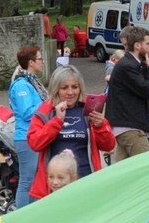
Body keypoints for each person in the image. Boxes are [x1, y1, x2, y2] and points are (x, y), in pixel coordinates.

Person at [27, 65, 115, 201]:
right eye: (64, 88)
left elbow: (109, 146)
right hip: (54, 186)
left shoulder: (89, 109)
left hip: (86, 181)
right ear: (56, 89)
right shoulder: (45, 111)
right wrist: (57, 121)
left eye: (74, 87)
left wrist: (100, 125)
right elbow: (35, 143)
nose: (70, 92)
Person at [105, 26, 149, 161]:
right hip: (131, 128)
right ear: (137, 45)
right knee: (145, 167)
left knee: (123, 173)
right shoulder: (128, 66)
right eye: (148, 43)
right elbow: (148, 90)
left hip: (127, 126)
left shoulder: (133, 63)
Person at [9, 45, 48, 208]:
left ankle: (34, 213)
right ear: (31, 62)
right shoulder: (21, 85)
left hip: (36, 136)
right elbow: (26, 112)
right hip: (26, 138)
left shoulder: (33, 82)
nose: (43, 62)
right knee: (26, 180)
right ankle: (21, 217)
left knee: (37, 178)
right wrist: (49, 107)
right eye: (40, 59)